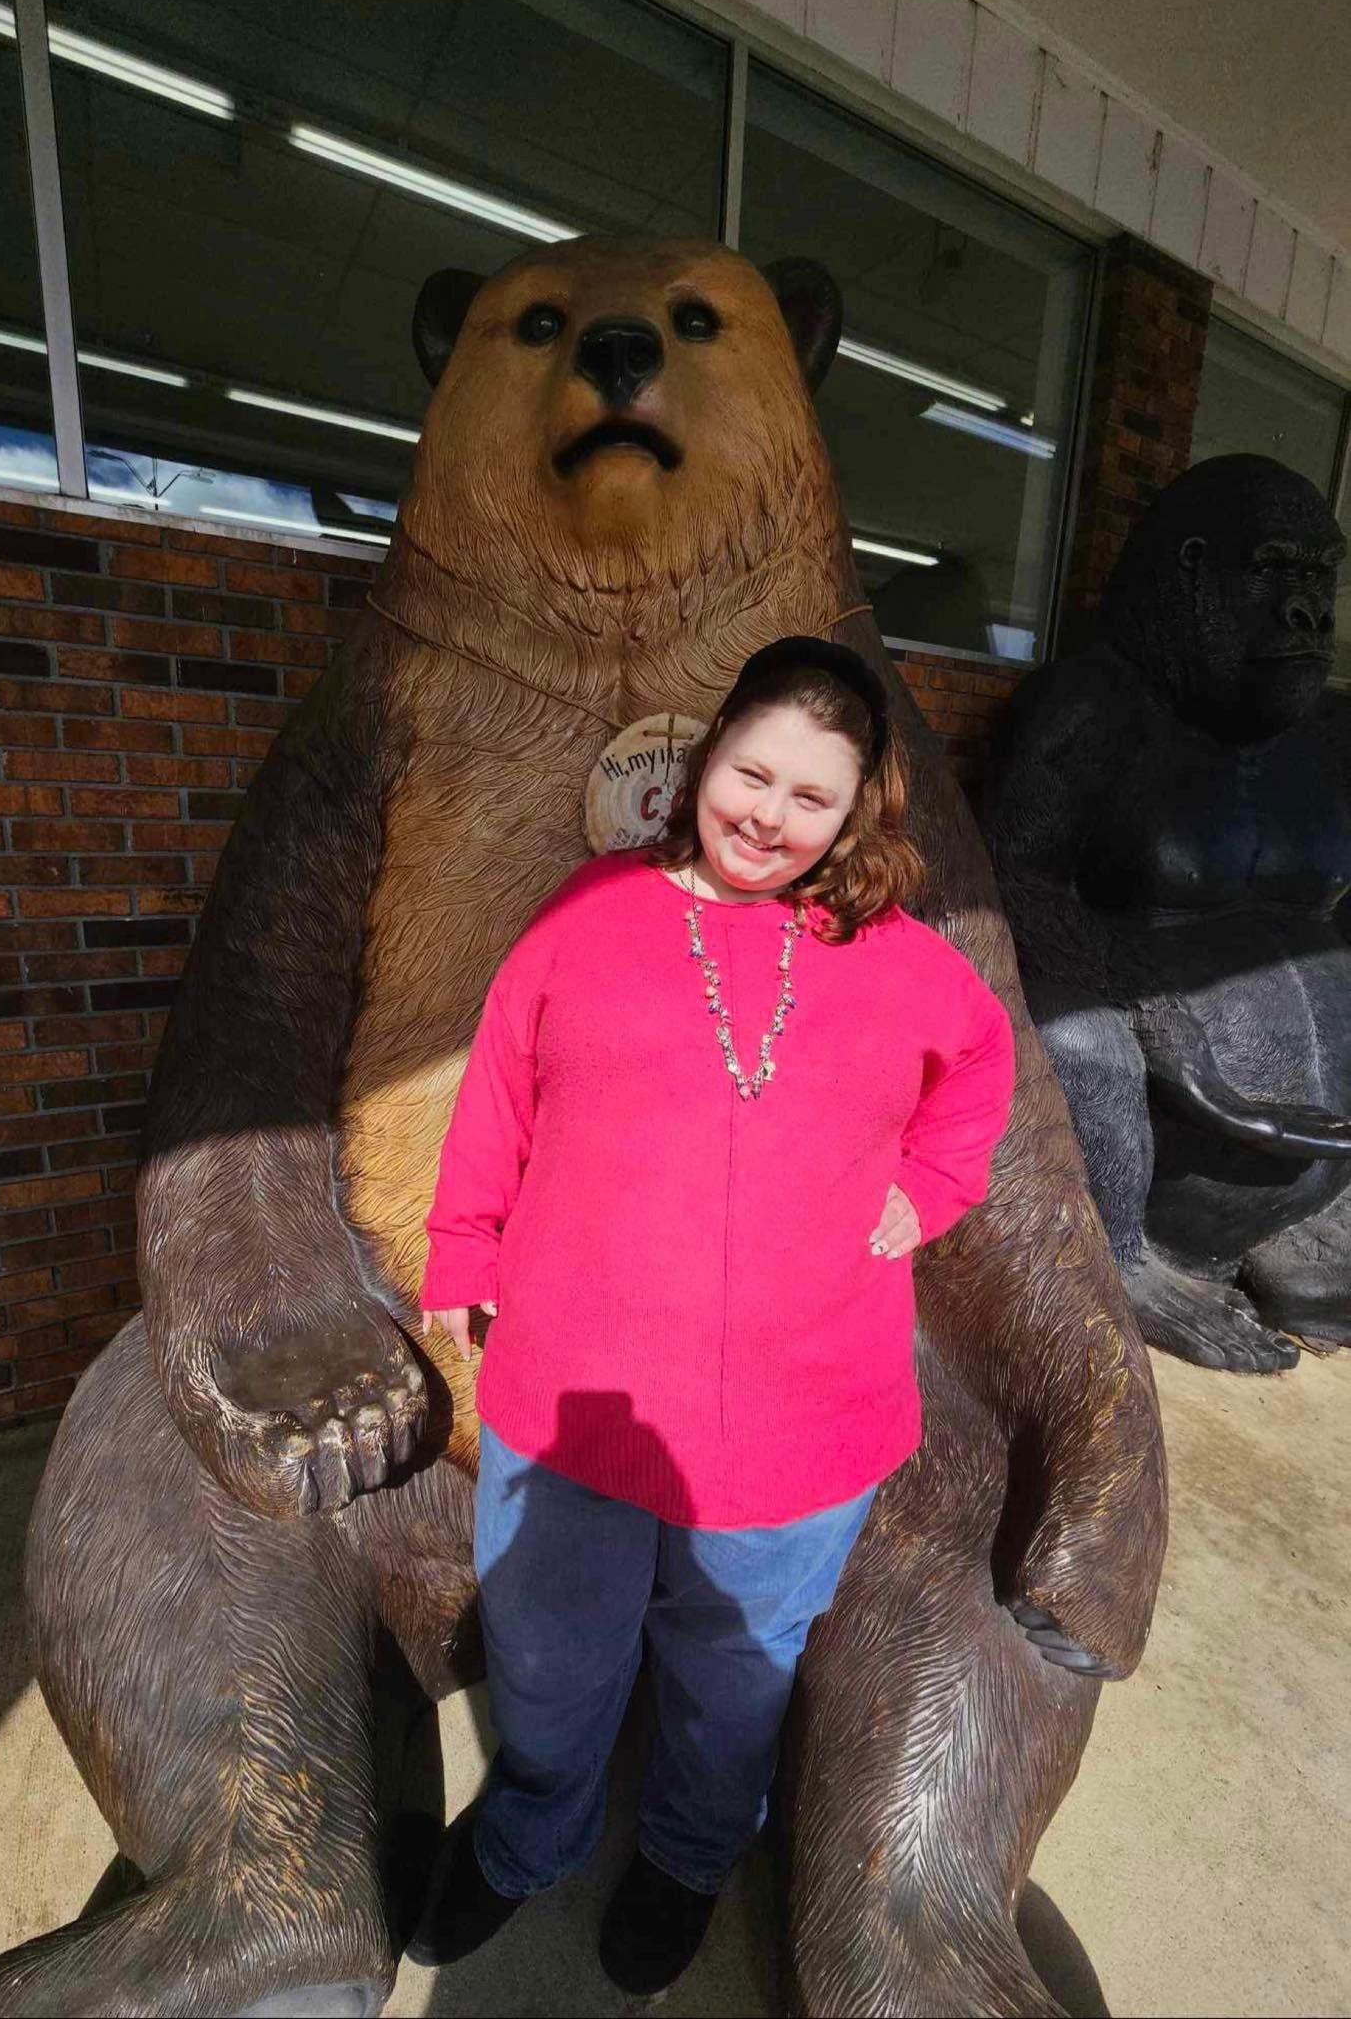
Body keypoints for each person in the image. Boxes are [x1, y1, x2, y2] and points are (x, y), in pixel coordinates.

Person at [408, 635, 1016, 1998]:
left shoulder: (902, 955)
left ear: (855, 813)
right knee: (551, 1656)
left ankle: (689, 1855)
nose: (768, 816)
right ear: (706, 763)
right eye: (751, 775)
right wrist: (461, 1245)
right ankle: (528, 1835)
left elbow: (984, 1065)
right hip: (577, 1390)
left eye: (811, 798)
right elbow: (500, 1082)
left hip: (806, 1408)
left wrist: (930, 1185)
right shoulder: (588, 910)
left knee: (730, 1680)